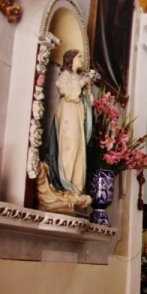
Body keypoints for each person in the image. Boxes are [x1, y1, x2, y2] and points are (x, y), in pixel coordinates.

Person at [44, 49, 93, 194]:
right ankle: (65, 185)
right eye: (79, 57)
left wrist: (88, 86)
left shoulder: (76, 76)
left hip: (77, 115)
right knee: (69, 146)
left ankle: (76, 188)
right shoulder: (64, 75)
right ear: (70, 59)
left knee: (78, 148)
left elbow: (89, 101)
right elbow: (66, 90)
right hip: (68, 114)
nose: (81, 61)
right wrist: (82, 82)